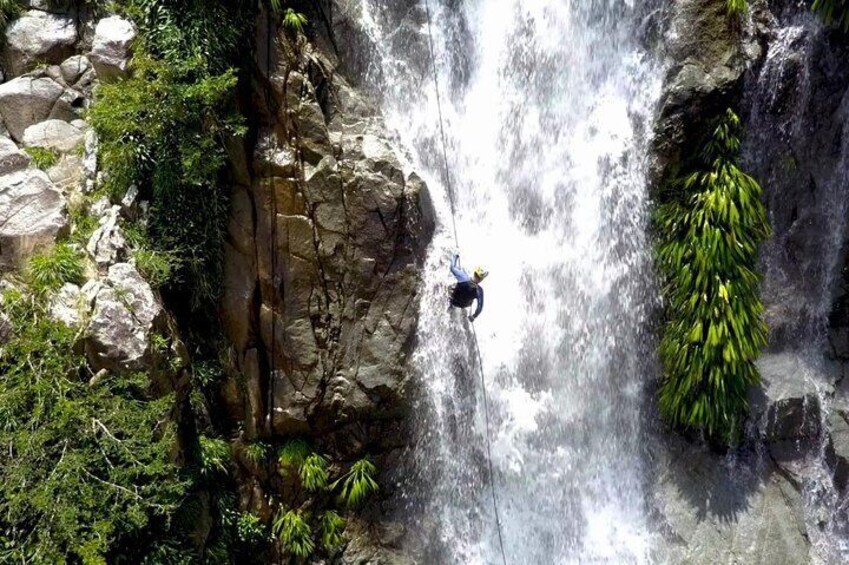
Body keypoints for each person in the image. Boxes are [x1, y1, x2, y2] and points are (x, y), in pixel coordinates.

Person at [448, 254, 488, 322]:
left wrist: (455, 257)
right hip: (463, 305)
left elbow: (452, 267)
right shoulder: (479, 291)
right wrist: (473, 316)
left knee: (450, 287)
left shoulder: (463, 277)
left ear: (474, 273)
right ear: (481, 279)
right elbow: (480, 307)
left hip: (453, 301)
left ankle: (449, 309)